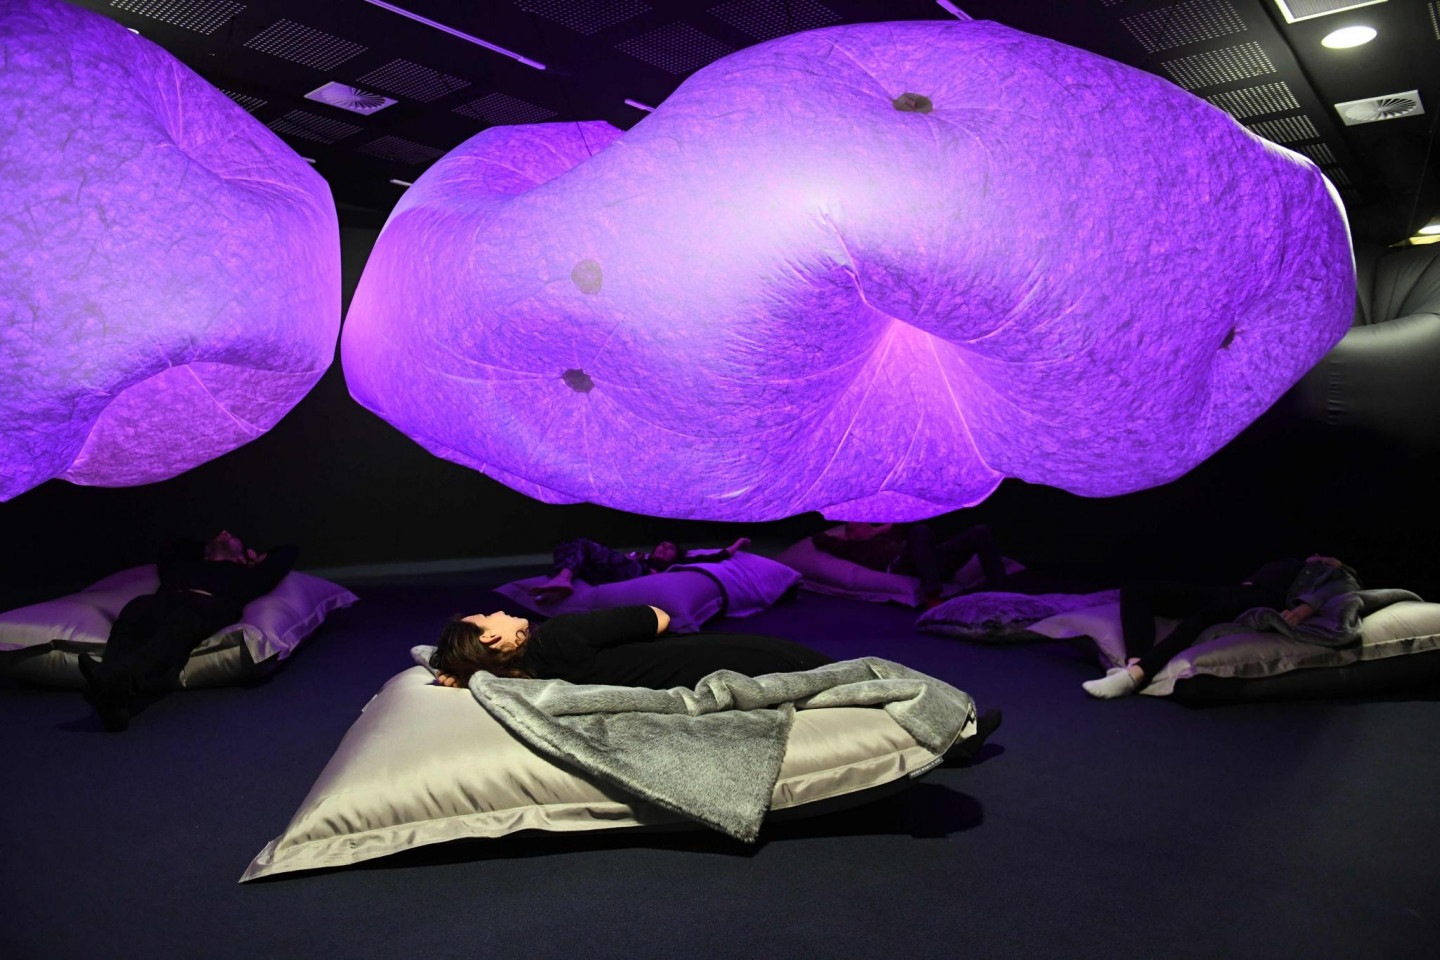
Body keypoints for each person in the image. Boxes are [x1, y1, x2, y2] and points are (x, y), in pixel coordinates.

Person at [77, 531, 298, 730]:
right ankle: (113, 695)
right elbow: (170, 545)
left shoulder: (246, 574)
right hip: (163, 600)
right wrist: (207, 549)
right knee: (135, 610)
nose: (223, 532)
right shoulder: (182, 566)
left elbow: (289, 552)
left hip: (208, 603)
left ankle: (115, 683)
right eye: (220, 535)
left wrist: (256, 559)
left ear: (243, 557)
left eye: (231, 536)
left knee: (181, 623)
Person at [1082, 555, 1362, 699]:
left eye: (1324, 556)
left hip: (1259, 600)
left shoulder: (1334, 573)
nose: (1317, 556)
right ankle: (1134, 661)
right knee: (1137, 589)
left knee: (1200, 619)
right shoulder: (1293, 562)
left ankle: (1136, 675)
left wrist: (1301, 611)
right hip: (1230, 590)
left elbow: (1340, 592)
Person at [430, 604, 832, 690]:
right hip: (759, 659)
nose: (499, 611)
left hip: (714, 669)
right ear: (490, 638)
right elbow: (657, 617)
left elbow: (490, 680)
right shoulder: (557, 635)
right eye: (488, 616)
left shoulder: (532, 677)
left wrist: (465, 676)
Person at [811, 521, 1007, 604]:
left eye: (866, 523)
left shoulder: (883, 535)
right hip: (902, 566)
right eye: (859, 526)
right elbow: (818, 538)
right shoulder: (849, 547)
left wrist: (877, 531)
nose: (866, 525)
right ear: (849, 535)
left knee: (980, 531)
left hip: (931, 561)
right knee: (921, 531)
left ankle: (1001, 591)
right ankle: (932, 595)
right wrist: (842, 538)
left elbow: (900, 523)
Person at [529, 536, 752, 604]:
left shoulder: (673, 566)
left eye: (670, 547)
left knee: (583, 545)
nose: (664, 547)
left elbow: (712, 557)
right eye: (662, 545)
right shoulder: (639, 557)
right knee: (570, 546)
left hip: (638, 574)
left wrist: (737, 545)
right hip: (613, 571)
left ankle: (563, 579)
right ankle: (563, 581)